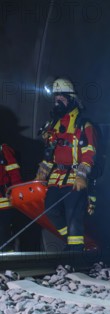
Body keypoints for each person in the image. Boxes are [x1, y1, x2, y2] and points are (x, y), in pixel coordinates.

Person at [36, 77, 97, 250]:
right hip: (57, 177)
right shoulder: (53, 126)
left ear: (71, 99)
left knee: (73, 213)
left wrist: (82, 176)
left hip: (75, 177)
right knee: (50, 210)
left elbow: (89, 154)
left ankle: (76, 254)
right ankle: (72, 240)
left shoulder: (83, 125)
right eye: (56, 97)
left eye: (62, 97)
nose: (58, 100)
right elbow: (49, 154)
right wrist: (42, 172)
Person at [0, 143, 22, 250]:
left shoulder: (4, 150)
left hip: (3, 201)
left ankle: (7, 263)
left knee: (4, 234)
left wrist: (16, 192)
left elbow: (14, 173)